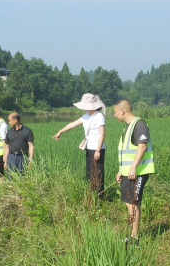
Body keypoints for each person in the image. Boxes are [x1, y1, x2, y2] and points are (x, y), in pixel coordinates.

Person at [113, 99, 155, 247]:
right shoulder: (128, 127)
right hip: (128, 172)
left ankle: (135, 240)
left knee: (133, 203)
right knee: (128, 203)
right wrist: (121, 170)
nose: (114, 115)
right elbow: (127, 152)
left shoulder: (139, 125)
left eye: (115, 112)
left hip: (137, 172)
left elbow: (142, 147)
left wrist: (133, 168)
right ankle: (132, 236)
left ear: (122, 111)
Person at [52, 93, 106, 197]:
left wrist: (98, 150)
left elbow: (102, 134)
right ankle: (92, 195)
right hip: (89, 148)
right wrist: (60, 132)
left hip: (97, 149)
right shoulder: (86, 116)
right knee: (90, 172)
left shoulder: (99, 116)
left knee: (98, 173)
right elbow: (72, 124)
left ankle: (99, 198)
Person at [4, 113, 34, 179]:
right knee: (10, 177)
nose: (9, 122)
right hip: (11, 157)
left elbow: (31, 145)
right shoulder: (9, 132)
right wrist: (5, 161)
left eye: (10, 120)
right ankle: (11, 189)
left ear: (15, 120)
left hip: (23, 158)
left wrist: (31, 159)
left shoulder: (27, 131)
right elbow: (6, 147)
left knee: (22, 177)